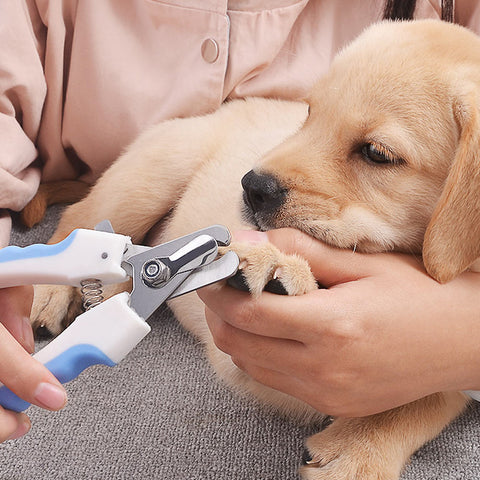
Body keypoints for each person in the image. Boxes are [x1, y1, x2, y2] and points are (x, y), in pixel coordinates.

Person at [1, 0, 480, 442]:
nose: (264, 176)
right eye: (311, 112)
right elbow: (237, 355)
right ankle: (74, 254)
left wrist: (455, 341)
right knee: (173, 153)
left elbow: (446, 381)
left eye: (376, 153)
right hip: (201, 153)